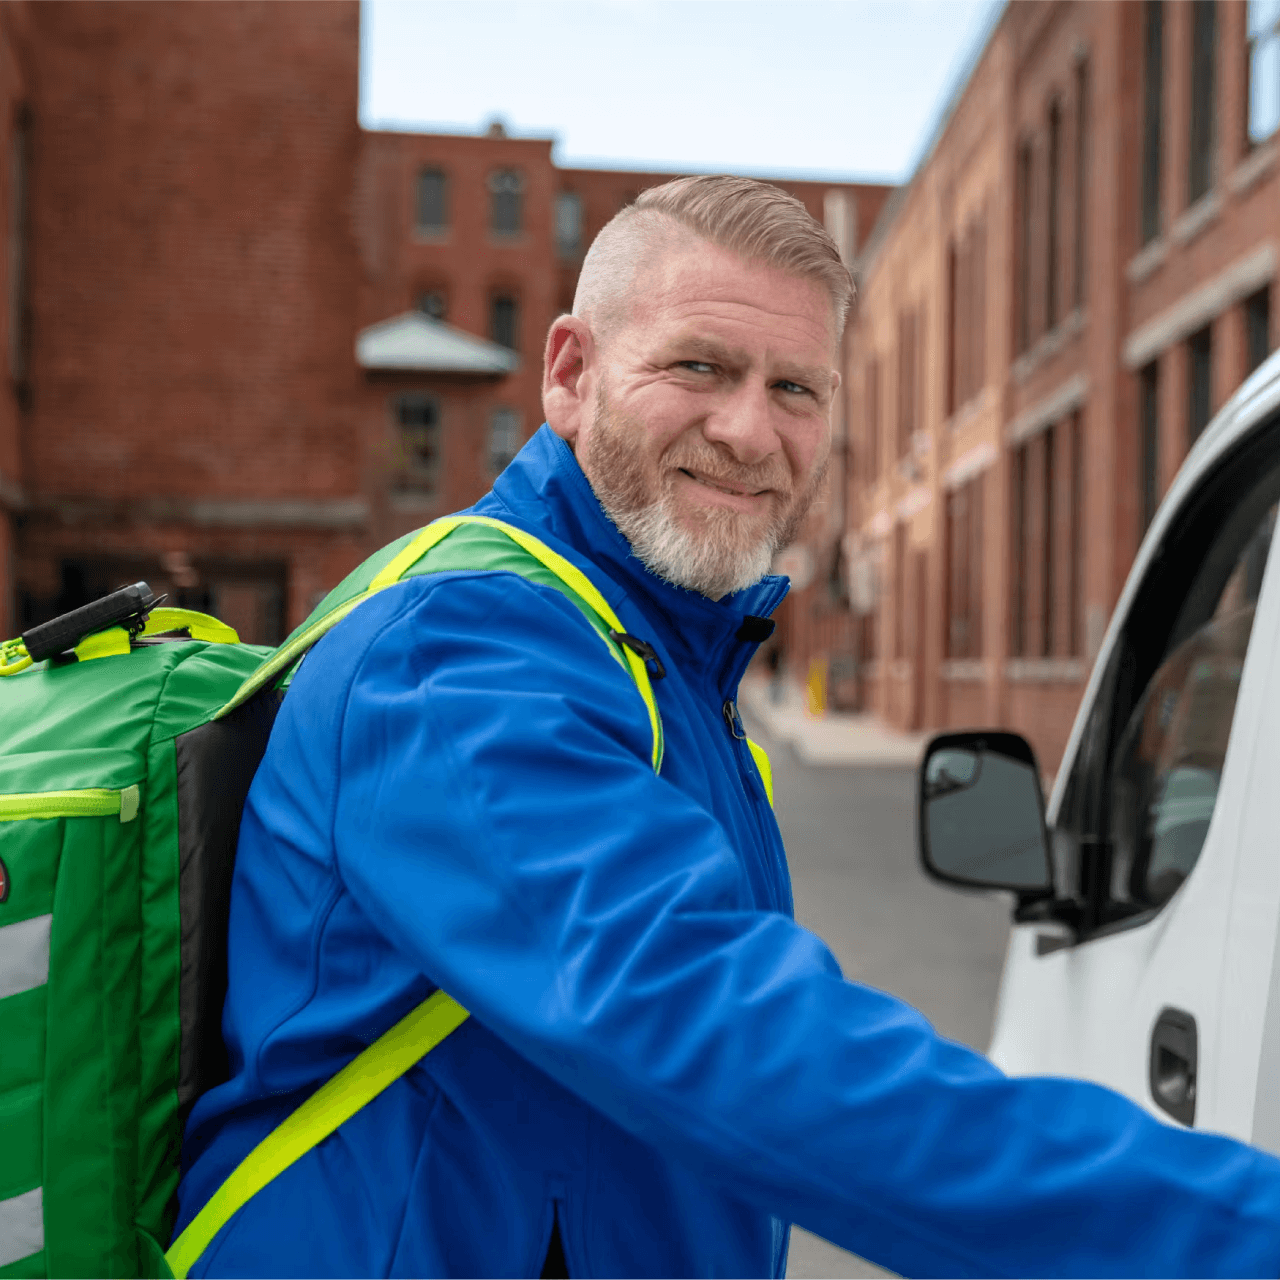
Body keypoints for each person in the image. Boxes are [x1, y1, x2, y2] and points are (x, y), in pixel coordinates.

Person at [175, 176, 1280, 1278]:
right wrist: (1234, 1232)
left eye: (795, 387)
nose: (751, 430)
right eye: (697, 365)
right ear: (569, 372)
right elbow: (728, 1037)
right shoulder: (458, 650)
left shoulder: (657, 646)